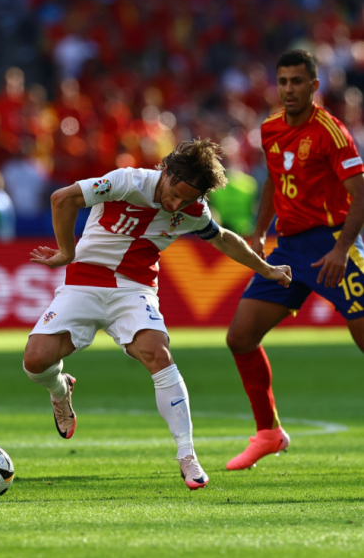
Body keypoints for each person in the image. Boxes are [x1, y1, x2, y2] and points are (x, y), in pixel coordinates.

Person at [22, 140, 292, 490]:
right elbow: (62, 198)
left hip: (134, 290)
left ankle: (187, 456)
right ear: (166, 172)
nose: (176, 205)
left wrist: (266, 269)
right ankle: (61, 390)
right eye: (175, 194)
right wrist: (65, 252)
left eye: (186, 201)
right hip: (84, 282)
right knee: (35, 361)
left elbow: (224, 239)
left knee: (158, 354)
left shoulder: (194, 210)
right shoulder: (126, 181)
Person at [225, 50, 364, 470]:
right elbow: (273, 180)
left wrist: (340, 249)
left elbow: (361, 194)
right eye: (283, 81)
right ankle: (269, 433)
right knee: (240, 337)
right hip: (287, 249)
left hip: (331, 245)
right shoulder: (270, 128)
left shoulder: (331, 132)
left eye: (297, 81)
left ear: (314, 86)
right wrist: (258, 232)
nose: (288, 89)